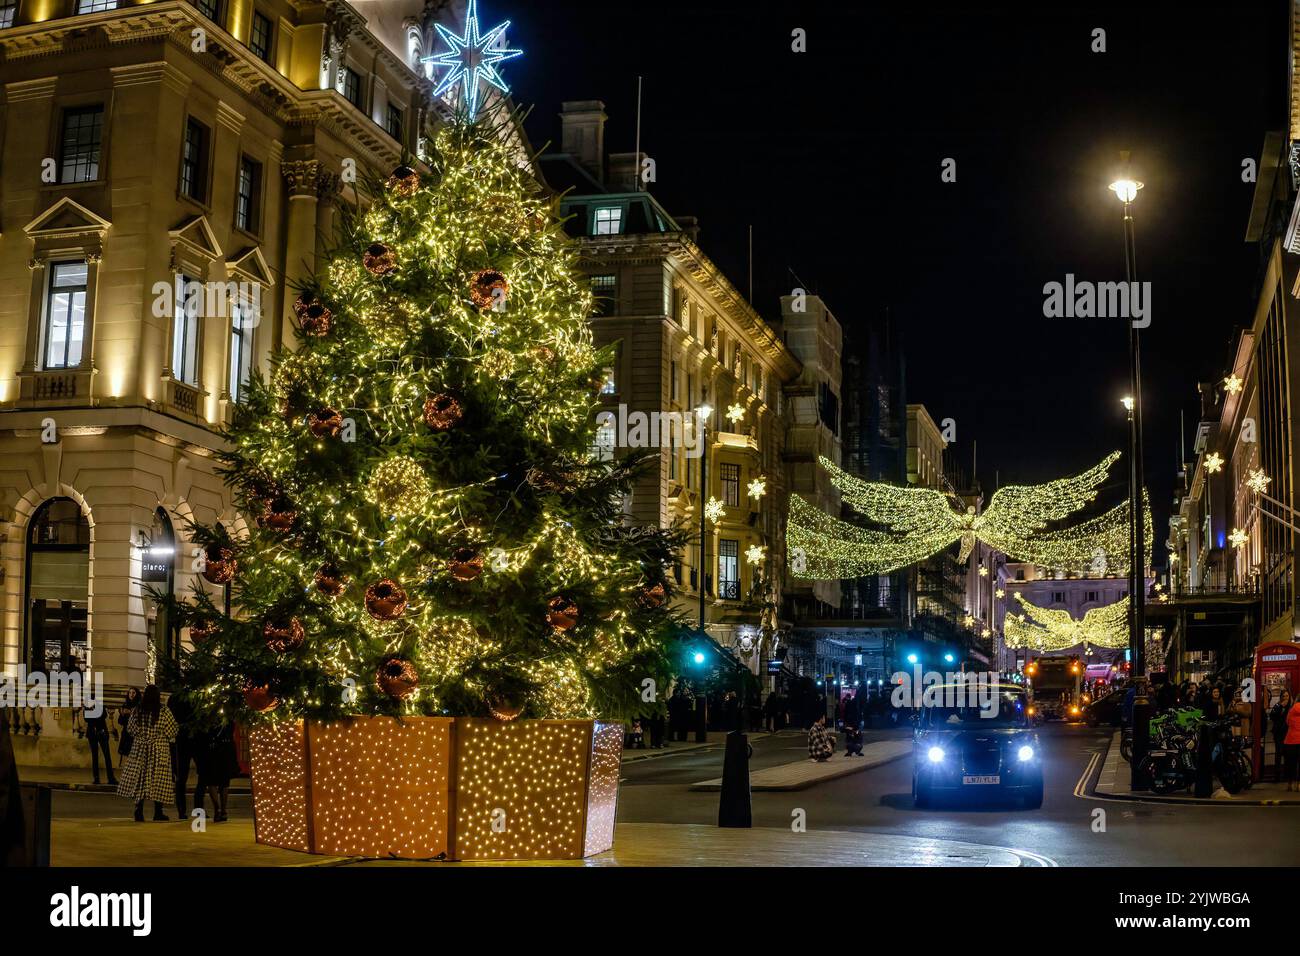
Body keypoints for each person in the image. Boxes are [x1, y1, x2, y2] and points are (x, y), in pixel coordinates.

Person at [116, 685, 178, 821]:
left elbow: (130, 729)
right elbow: (172, 730)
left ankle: (138, 809)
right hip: (159, 749)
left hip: (140, 749)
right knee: (159, 780)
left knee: (140, 779)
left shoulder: (138, 710)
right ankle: (158, 812)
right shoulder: (164, 711)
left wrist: (142, 736)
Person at [169, 691, 204, 819]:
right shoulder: (197, 696)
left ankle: (182, 810)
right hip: (195, 738)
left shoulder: (175, 697)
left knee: (181, 777)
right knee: (201, 774)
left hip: (182, 739)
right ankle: (198, 807)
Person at [199, 719, 238, 823]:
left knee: (213, 781)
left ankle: (218, 809)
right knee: (223, 782)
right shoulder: (228, 714)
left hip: (212, 748)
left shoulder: (208, 715)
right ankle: (222, 810)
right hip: (223, 748)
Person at [84, 700, 115, 786]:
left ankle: (111, 778)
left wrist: (93, 712)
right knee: (95, 756)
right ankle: (96, 778)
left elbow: (103, 716)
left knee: (107, 756)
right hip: (92, 733)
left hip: (102, 732)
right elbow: (86, 718)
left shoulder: (100, 704)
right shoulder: (87, 706)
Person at [1270, 690, 1294, 780]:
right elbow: (1272, 716)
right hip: (1279, 733)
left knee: (1288, 754)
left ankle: (1287, 774)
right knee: (1278, 753)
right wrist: (1280, 707)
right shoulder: (1278, 705)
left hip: (1289, 732)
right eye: (1283, 696)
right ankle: (1277, 774)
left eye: (1287, 696)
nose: (1285, 698)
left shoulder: (1292, 707)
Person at [115, 687, 140, 763]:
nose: (131, 695)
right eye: (130, 693)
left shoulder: (139, 705)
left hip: (136, 734)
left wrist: (131, 712)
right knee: (127, 754)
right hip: (126, 733)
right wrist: (122, 714)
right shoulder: (125, 705)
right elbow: (120, 722)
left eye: (133, 693)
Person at [1284, 692, 1300, 792]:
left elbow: (1287, 722)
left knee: (1290, 764)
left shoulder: (1291, 709)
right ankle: (1298, 785)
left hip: (1290, 740)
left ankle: (1289, 784)